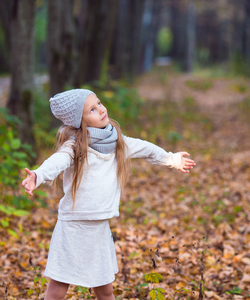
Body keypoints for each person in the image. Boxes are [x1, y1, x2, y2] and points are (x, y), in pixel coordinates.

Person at [21, 89, 196, 300]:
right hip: (73, 226)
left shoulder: (118, 142)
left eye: (99, 103)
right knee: (58, 288)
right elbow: (56, 162)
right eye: (92, 110)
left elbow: (147, 149)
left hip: (99, 227)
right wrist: (37, 176)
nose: (101, 110)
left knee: (105, 290)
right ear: (80, 121)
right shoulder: (75, 146)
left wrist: (172, 159)